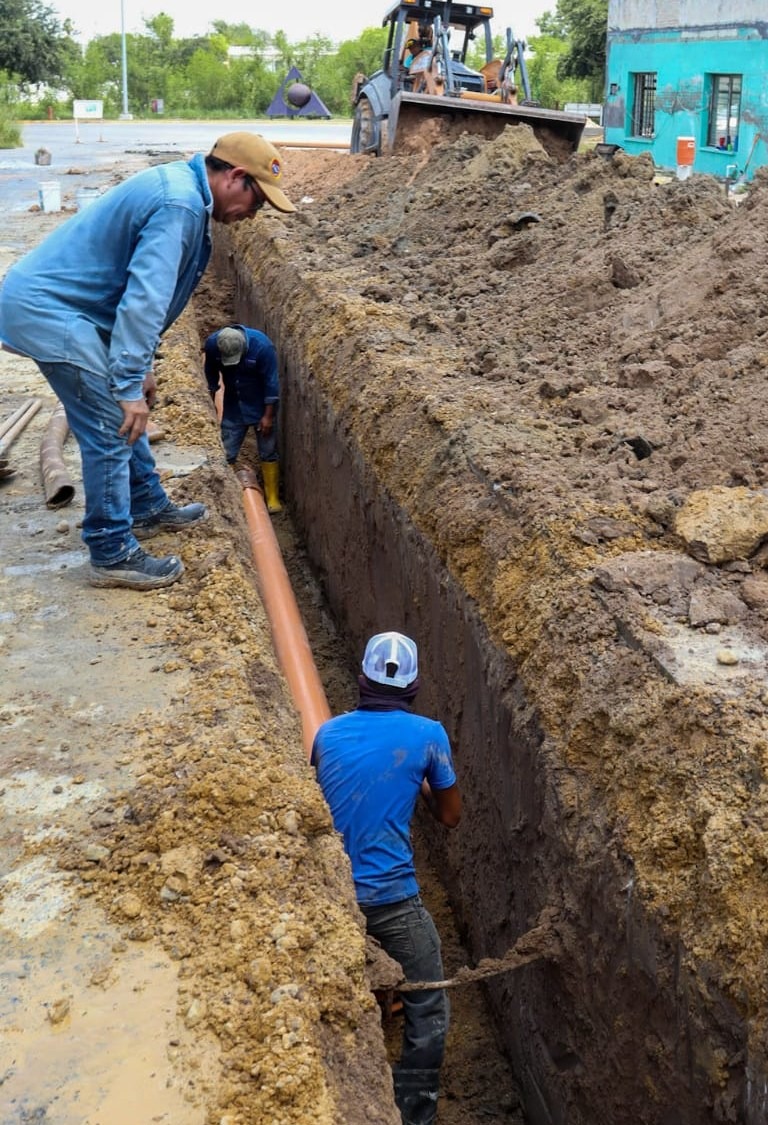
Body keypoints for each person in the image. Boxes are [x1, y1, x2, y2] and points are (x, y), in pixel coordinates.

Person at [0, 132, 296, 590]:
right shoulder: (178, 204)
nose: (252, 215)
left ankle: (147, 504)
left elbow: (141, 300)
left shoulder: (186, 197)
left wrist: (140, 368)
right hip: (50, 313)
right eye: (256, 201)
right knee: (110, 424)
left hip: (73, 313)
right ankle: (111, 550)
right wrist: (126, 384)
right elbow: (144, 299)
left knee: (122, 416)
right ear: (235, 177)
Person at [312, 632, 461, 1125]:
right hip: (392, 898)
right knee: (429, 1000)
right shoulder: (429, 735)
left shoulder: (326, 734)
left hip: (329, 895)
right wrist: (418, 781)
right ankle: (413, 1114)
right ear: (413, 686)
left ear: (361, 681)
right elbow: (450, 817)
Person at [203, 324, 283, 512]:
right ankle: (228, 498)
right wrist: (211, 404)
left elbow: (271, 384)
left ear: (243, 347)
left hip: (261, 405)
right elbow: (211, 375)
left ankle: (272, 497)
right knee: (227, 451)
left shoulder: (262, 347)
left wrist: (268, 416)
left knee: (268, 450)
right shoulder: (213, 345)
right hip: (233, 404)